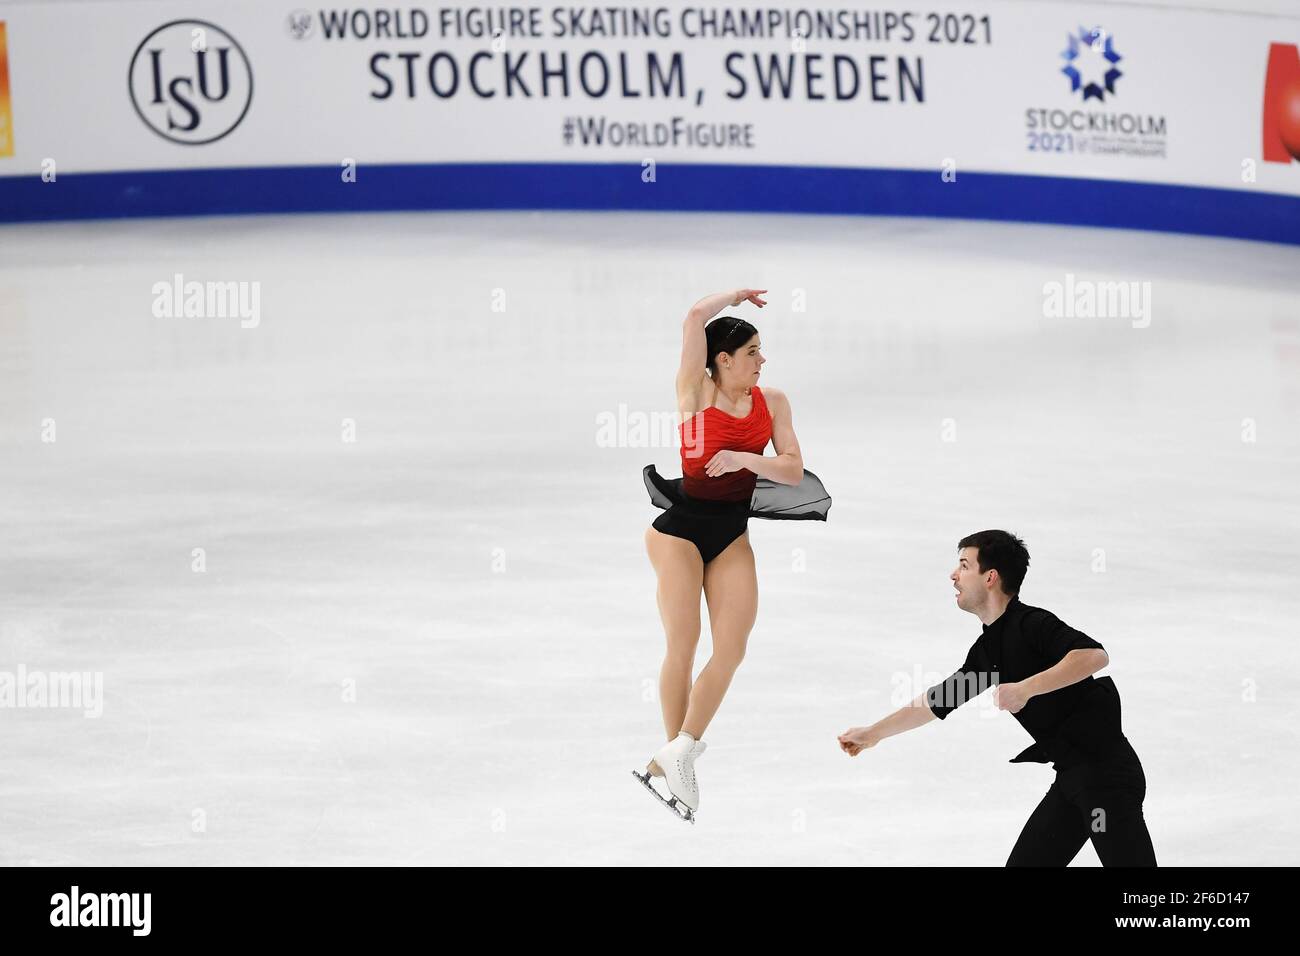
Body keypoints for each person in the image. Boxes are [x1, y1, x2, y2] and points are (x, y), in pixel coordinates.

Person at [838, 530, 1157, 866]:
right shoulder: (988, 651)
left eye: (964, 565)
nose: (953, 575)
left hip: (1107, 779)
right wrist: (872, 733)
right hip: (1074, 780)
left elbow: (1093, 655)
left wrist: (1026, 688)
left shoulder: (1032, 624)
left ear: (990, 577)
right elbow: (936, 702)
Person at [636, 288, 831, 820]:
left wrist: (743, 457)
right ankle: (677, 751)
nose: (762, 361)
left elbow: (792, 470)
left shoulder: (774, 402)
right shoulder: (695, 393)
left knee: (733, 647)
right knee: (685, 642)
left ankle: (679, 750)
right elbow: (695, 316)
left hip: (730, 534)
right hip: (679, 533)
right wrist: (736, 296)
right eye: (752, 353)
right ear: (722, 360)